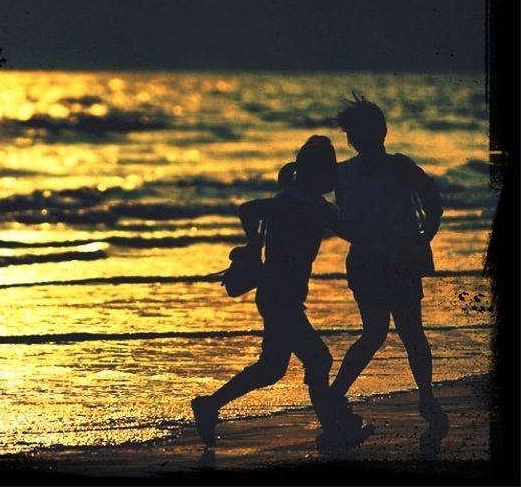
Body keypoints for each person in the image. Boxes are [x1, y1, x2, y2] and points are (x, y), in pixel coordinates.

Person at [191, 136, 361, 447]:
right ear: (315, 173)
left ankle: (208, 405)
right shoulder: (290, 201)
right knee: (318, 359)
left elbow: (350, 232)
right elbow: (248, 209)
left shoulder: (317, 206)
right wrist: (255, 246)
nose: (332, 176)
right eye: (328, 170)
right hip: (277, 296)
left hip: (286, 296)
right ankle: (334, 431)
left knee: (271, 368)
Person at [329, 93, 448, 435]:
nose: (360, 140)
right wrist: (428, 228)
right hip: (380, 260)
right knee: (399, 332)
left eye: (361, 132)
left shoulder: (357, 172)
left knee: (386, 332)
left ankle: (341, 395)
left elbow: (430, 198)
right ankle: (425, 399)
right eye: (358, 134)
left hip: (390, 259)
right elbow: (432, 198)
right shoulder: (361, 171)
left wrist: (429, 228)